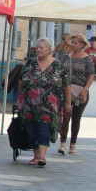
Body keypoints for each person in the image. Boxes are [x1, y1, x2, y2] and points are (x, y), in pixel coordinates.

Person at [18, 37, 69, 168]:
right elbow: (21, 80)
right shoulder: (30, 63)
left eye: (41, 47)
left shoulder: (57, 66)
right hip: (30, 105)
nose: (38, 50)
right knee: (31, 129)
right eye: (37, 47)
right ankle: (36, 156)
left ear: (49, 50)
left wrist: (67, 103)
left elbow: (66, 85)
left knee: (44, 127)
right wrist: (21, 98)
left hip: (50, 106)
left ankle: (42, 156)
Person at [57, 32, 94, 156]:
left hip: (80, 92)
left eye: (75, 43)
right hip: (66, 91)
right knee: (65, 116)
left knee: (76, 118)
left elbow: (91, 75)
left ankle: (73, 144)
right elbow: (61, 71)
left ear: (82, 44)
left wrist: (86, 89)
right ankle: (62, 143)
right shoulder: (67, 57)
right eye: (71, 42)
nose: (72, 45)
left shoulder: (87, 58)